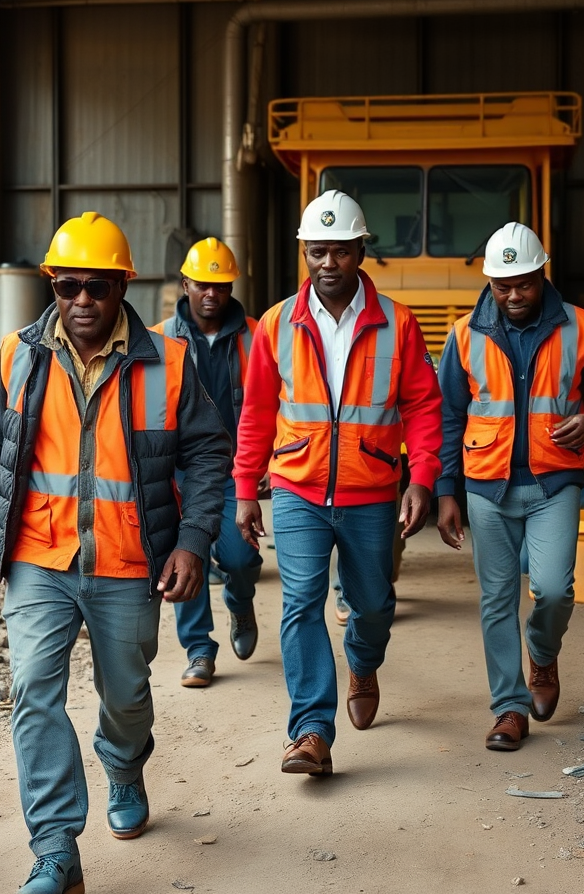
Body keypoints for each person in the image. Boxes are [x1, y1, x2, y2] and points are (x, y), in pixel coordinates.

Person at [0, 212, 230, 894]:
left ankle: (124, 763)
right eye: (67, 286)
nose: (80, 302)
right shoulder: (19, 354)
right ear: (53, 285)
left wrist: (193, 542)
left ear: (121, 288)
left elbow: (208, 451)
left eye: (95, 288)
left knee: (127, 695)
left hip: (128, 563)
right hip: (39, 559)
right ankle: (55, 849)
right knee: (32, 693)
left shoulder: (168, 362)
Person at [233, 189, 443, 777]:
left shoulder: (397, 323)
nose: (329, 263)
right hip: (298, 488)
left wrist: (421, 477)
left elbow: (424, 405)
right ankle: (310, 733)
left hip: (372, 488)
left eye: (341, 251)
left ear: (360, 252)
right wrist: (246, 487)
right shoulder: (276, 324)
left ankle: (364, 661)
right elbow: (254, 414)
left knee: (372, 606)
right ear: (305, 252)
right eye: (317, 251)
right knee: (300, 605)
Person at [435, 222, 584, 752]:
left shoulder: (581, 327)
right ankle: (509, 709)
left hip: (555, 482)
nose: (515, 295)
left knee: (552, 589)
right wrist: (445, 490)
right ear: (489, 282)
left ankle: (542, 654)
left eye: (524, 283)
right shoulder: (463, 335)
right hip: (486, 487)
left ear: (542, 274)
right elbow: (448, 416)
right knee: (496, 599)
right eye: (504, 286)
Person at [151, 237, 263, 687]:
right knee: (184, 558)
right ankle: (198, 649)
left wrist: (266, 460)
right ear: (185, 284)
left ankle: (241, 601)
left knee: (238, 557)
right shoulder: (158, 340)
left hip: (237, 467)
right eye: (202, 284)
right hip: (179, 471)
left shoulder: (257, 335)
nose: (212, 293)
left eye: (221, 284)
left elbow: (273, 401)